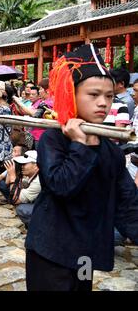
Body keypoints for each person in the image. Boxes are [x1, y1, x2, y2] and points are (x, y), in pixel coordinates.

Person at [25, 44, 138, 291]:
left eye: (109, 96)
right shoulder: (53, 140)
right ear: (72, 94)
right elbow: (61, 186)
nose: (103, 103)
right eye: (93, 94)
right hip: (51, 251)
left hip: (85, 253)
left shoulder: (110, 151)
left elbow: (127, 203)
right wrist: (80, 144)